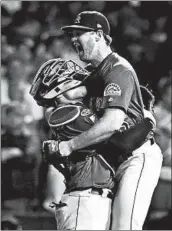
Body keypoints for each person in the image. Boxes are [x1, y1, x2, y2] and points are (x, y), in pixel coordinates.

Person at [55, 11, 162, 230]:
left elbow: (112, 123)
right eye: (72, 34)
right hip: (112, 157)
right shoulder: (94, 72)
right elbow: (69, 97)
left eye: (80, 33)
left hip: (137, 157)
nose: (74, 39)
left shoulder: (118, 70)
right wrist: (52, 93)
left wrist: (69, 146)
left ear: (98, 35)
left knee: (125, 227)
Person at [30, 58, 159, 230]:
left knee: (125, 226)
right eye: (50, 103)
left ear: (69, 83)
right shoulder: (67, 115)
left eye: (56, 98)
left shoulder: (105, 85)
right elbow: (120, 142)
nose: (56, 105)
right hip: (111, 161)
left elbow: (129, 140)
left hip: (137, 156)